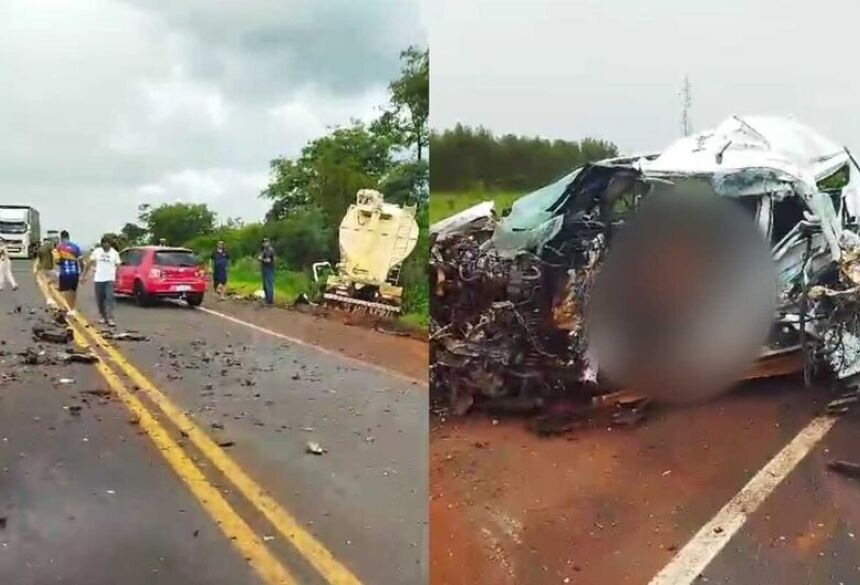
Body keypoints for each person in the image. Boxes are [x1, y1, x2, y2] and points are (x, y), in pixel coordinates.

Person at [82, 236, 120, 326]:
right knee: (100, 299)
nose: (105, 245)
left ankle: (110, 317)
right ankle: (102, 316)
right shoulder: (97, 251)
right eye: (103, 243)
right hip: (99, 278)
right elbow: (89, 262)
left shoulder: (114, 253)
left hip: (109, 279)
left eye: (107, 243)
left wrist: (116, 274)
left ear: (110, 244)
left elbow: (118, 264)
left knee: (109, 298)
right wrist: (84, 275)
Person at [55, 230, 83, 315]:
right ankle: (73, 307)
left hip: (64, 272)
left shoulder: (59, 247)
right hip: (75, 272)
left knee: (66, 291)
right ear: (68, 237)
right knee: (73, 290)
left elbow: (57, 261)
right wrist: (82, 270)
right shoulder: (75, 247)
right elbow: (81, 260)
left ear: (61, 238)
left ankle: (69, 308)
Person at [257, 237, 275, 306]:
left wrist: (261, 259)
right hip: (264, 268)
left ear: (269, 243)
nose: (264, 244)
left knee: (268, 285)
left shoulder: (269, 250)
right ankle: (267, 299)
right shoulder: (264, 250)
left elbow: (268, 260)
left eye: (266, 242)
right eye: (264, 242)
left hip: (269, 268)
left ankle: (270, 301)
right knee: (265, 285)